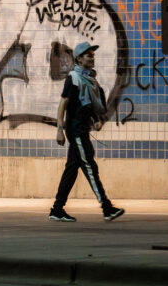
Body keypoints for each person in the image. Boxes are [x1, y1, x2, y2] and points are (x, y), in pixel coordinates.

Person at [49, 41, 125, 223]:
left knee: (71, 170)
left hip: (83, 128)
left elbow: (91, 106)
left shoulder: (91, 80)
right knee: (90, 166)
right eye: (88, 55)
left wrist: (97, 120)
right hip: (76, 130)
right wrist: (60, 129)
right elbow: (63, 105)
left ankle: (57, 209)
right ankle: (107, 208)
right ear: (79, 59)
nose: (92, 57)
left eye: (93, 54)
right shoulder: (74, 78)